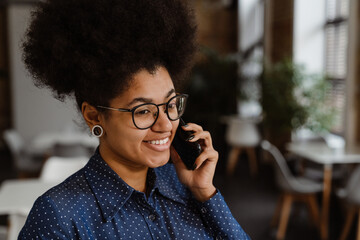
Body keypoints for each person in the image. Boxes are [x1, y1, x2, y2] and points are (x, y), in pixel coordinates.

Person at [18, 0, 250, 239]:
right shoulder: (59, 218)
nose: (165, 125)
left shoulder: (186, 185)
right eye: (143, 111)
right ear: (94, 116)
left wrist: (205, 192)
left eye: (170, 105)